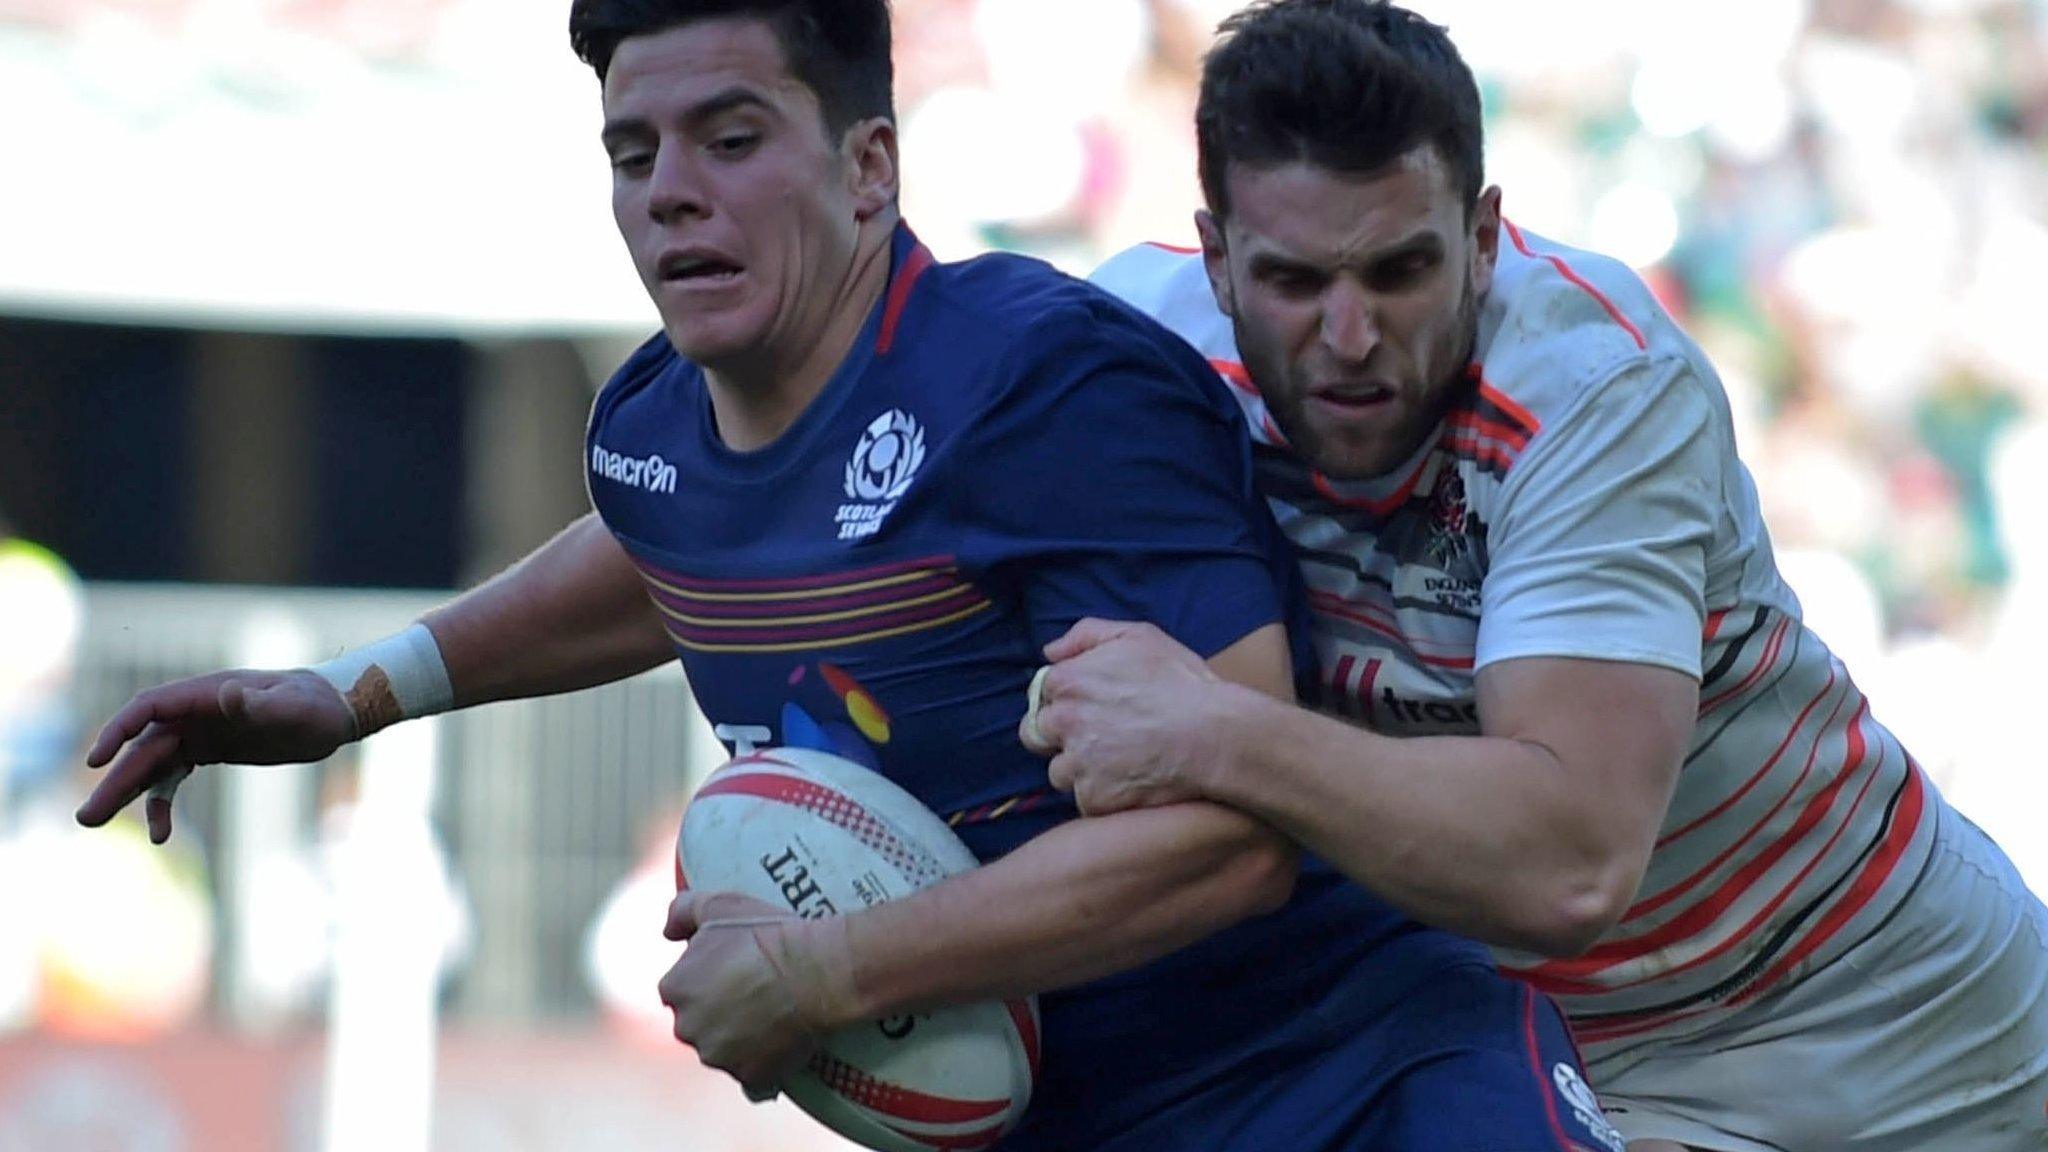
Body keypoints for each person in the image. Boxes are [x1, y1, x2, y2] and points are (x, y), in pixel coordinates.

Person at [73, 3, 1623, 1149]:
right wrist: (354, 697)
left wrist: (821, 972)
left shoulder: (1049, 387)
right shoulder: (650, 435)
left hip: (1358, 1089)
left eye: (733, 138)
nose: (673, 189)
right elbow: (669, 549)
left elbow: (1232, 846)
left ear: (871, 164)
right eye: (635, 151)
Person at [1055, 2, 2048, 1150]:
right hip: (1548, 1045)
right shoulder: (1131, 364)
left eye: (1398, 270)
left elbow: (1569, 861)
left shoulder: (1590, 386)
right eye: (1290, 279)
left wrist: (1213, 733)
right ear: (1214, 254)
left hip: (1884, 1015)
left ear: (1481, 237)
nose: (1348, 333)